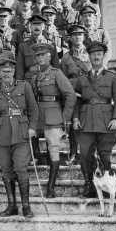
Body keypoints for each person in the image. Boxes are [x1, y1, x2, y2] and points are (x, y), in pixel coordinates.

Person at [0, 55, 38, 217]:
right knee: (6, 170)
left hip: (21, 133)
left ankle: (26, 206)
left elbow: (34, 109)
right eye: (3, 71)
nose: (6, 74)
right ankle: (11, 206)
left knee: (21, 168)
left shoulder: (24, 86)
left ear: (14, 71)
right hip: (1, 135)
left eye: (9, 71)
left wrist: (32, 128)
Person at [73, 41, 116, 198]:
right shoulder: (82, 79)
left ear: (103, 56)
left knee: (104, 155)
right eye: (93, 54)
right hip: (86, 121)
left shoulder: (112, 78)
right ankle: (90, 185)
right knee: (85, 155)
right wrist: (75, 118)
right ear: (89, 57)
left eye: (99, 54)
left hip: (106, 122)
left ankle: (107, 186)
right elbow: (77, 100)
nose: (96, 56)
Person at [31, 44, 76, 197]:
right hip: (38, 116)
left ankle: (51, 188)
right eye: (38, 55)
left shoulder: (57, 73)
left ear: (50, 57)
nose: (40, 58)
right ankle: (38, 158)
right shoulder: (35, 76)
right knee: (31, 142)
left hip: (53, 115)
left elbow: (70, 95)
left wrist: (65, 117)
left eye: (43, 55)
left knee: (54, 150)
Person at [61, 24, 91, 165]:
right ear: (70, 38)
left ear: (84, 37)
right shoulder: (66, 57)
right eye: (74, 35)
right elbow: (63, 78)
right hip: (73, 95)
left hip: (89, 95)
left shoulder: (91, 54)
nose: (77, 37)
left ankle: (87, 153)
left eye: (80, 34)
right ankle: (73, 152)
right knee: (74, 125)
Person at [16, 14, 59, 81]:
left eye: (39, 24)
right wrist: (19, 84)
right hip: (29, 81)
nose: (36, 27)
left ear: (44, 26)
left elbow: (56, 66)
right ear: (30, 27)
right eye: (34, 24)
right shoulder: (23, 46)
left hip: (47, 80)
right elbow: (20, 69)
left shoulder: (51, 45)